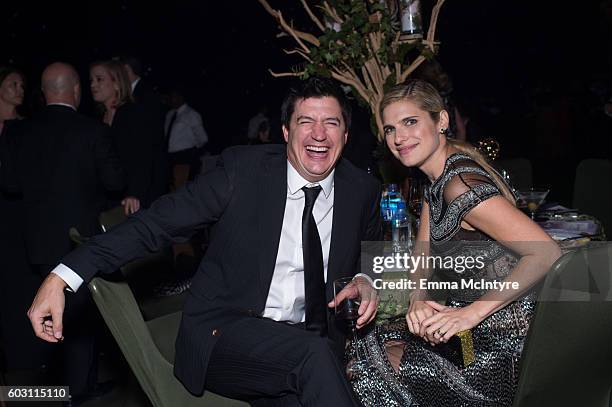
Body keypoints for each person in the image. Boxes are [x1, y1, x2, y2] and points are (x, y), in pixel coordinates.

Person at [27, 77, 382, 406]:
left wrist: (365, 280)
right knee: (316, 357)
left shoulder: (360, 189)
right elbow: (153, 225)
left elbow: (372, 242)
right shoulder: (241, 173)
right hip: (226, 335)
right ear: (286, 131)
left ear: (346, 135)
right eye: (306, 121)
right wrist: (64, 275)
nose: (318, 134)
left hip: (303, 345)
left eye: (331, 123)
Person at [350, 80, 561, 406]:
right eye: (390, 128)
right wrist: (417, 299)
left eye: (410, 122)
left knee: (368, 365)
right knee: (373, 338)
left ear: (442, 121)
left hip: (505, 345)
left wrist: (470, 314)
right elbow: (423, 249)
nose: (399, 137)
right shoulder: (438, 178)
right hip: (476, 329)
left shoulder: (460, 187)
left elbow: (546, 252)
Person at [1, 62, 125, 399]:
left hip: (38, 243)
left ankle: (69, 389)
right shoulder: (92, 130)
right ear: (76, 91)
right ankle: (78, 393)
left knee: (58, 320)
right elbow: (116, 181)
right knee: (80, 320)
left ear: (43, 93)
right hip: (82, 242)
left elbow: (10, 183)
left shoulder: (18, 131)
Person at [90, 60, 167, 214]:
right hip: (111, 195)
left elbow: (143, 157)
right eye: (91, 80)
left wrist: (135, 193)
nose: (93, 85)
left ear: (117, 83)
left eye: (99, 79)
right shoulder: (99, 119)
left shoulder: (132, 113)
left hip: (135, 197)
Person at [165, 85, 208, 189]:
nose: (170, 99)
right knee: (171, 189)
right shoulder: (169, 114)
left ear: (181, 97)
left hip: (184, 159)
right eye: (169, 97)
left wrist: (191, 151)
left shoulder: (191, 114)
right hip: (169, 159)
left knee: (181, 189)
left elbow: (203, 138)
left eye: (173, 96)